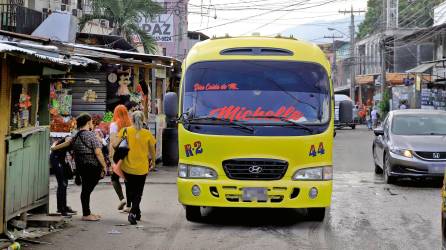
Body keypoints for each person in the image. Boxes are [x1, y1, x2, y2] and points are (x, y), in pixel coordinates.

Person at [52, 113, 107, 221]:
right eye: (91, 121)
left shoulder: (76, 136)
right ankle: (86, 214)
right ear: (88, 122)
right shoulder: (91, 135)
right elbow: (98, 152)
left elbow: (64, 145)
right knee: (87, 190)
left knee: (86, 189)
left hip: (81, 166)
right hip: (92, 165)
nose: (92, 123)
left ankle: (87, 212)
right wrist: (104, 166)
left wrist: (54, 148)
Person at [115, 111, 156, 225]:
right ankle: (134, 212)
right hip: (142, 168)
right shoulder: (147, 133)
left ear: (131, 119)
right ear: (143, 120)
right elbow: (152, 151)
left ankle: (135, 212)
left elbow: (115, 145)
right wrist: (153, 162)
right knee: (138, 192)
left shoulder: (125, 131)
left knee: (130, 190)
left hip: (127, 166)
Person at [109, 105, 132, 212]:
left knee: (114, 178)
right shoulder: (131, 125)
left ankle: (122, 199)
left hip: (118, 155)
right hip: (129, 154)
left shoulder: (114, 125)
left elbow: (113, 144)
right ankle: (129, 205)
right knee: (127, 178)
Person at [50, 136, 77, 217]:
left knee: (64, 184)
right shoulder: (69, 139)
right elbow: (54, 148)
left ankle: (63, 207)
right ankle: (61, 209)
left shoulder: (75, 142)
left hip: (61, 160)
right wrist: (54, 147)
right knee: (62, 184)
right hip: (56, 159)